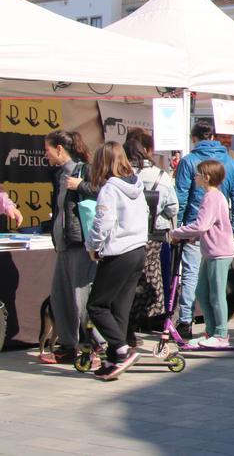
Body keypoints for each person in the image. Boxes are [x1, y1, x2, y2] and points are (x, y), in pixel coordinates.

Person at [84, 142, 150, 380]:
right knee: (119, 307)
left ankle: (121, 349)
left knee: (97, 305)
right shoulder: (137, 185)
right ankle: (113, 359)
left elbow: (103, 222)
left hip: (119, 252)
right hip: (138, 249)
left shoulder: (110, 190)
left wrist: (92, 246)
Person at [174, 121, 234, 340]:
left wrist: (178, 230)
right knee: (205, 288)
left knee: (195, 280)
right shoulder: (231, 162)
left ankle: (194, 324)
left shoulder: (189, 162)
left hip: (204, 236)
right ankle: (211, 330)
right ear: (213, 136)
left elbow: (181, 197)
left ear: (194, 138)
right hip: (214, 237)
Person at [42, 130, 100, 364]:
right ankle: (68, 346)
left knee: (82, 298)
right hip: (64, 244)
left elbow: (105, 193)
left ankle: (94, 346)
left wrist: (81, 186)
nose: (46, 155)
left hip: (81, 244)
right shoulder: (58, 175)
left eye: (48, 150)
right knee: (60, 297)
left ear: (59, 149)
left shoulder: (85, 170)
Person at [170, 160, 234, 347]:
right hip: (212, 251)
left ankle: (221, 334)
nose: (195, 177)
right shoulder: (213, 196)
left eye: (198, 174)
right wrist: (196, 237)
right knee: (201, 291)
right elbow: (210, 225)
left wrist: (176, 232)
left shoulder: (211, 197)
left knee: (216, 293)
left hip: (219, 252)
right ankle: (211, 332)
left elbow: (202, 224)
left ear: (206, 177)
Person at [124, 128, 177, 343]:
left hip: (127, 237)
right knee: (148, 280)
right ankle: (143, 320)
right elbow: (173, 208)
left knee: (126, 281)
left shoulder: (122, 175)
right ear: (147, 150)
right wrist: (158, 218)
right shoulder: (161, 176)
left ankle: (126, 326)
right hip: (153, 237)